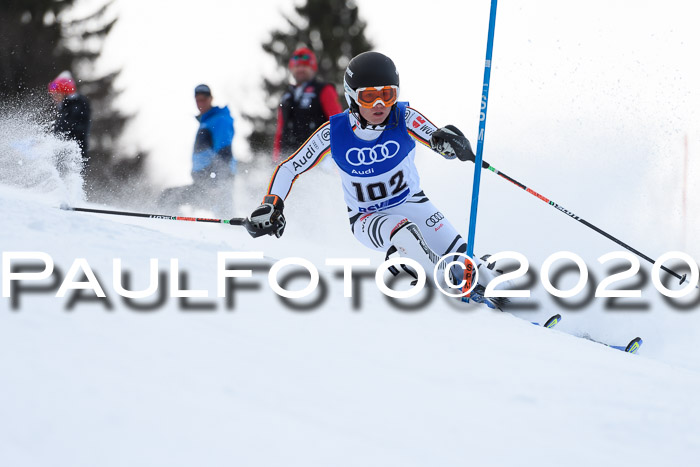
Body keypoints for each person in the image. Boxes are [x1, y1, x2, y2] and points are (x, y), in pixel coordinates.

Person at [247, 51, 498, 302]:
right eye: (369, 97)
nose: (380, 105)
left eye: (387, 95)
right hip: (367, 217)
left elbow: (436, 138)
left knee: (468, 264)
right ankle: (446, 289)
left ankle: (510, 301)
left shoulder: (404, 116)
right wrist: (272, 204)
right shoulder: (333, 133)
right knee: (404, 233)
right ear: (352, 97)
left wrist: (452, 144)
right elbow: (290, 167)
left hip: (414, 204)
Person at [158, 84, 236, 216]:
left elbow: (224, 153)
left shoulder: (219, 120)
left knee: (168, 197)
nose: (200, 103)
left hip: (213, 183)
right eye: (198, 99)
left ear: (211, 99)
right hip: (204, 181)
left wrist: (218, 184)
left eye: (204, 99)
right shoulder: (207, 121)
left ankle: (169, 231)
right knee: (169, 197)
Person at [273, 47, 343, 163]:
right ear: (291, 68)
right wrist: (276, 158)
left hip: (319, 157)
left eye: (304, 66)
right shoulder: (287, 95)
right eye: (297, 66)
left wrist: (340, 155)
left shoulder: (324, 89)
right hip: (290, 157)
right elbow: (280, 129)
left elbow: (338, 123)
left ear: (313, 68)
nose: (300, 69)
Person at [48, 71, 91, 172]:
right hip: (65, 156)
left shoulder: (77, 106)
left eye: (56, 93)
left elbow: (70, 130)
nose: (53, 97)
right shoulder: (67, 108)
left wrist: (51, 142)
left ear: (65, 92)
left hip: (73, 158)